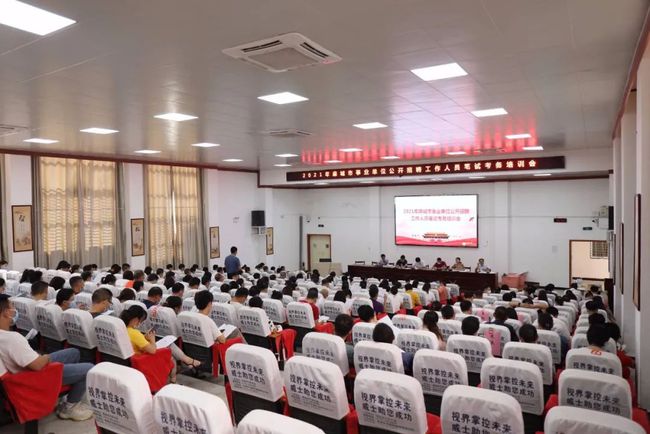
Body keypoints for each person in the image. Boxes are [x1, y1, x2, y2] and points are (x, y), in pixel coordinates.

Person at [0, 294, 94, 420]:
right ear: (6, 312)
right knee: (89, 368)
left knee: (74, 352)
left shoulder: (6, 336)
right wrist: (45, 358)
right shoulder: (12, 338)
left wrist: (41, 357)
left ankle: (67, 395)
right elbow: (37, 365)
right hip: (33, 377)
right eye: (12, 306)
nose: (14, 309)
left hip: (27, 367)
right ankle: (70, 407)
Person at [120, 305, 200, 384]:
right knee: (170, 354)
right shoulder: (135, 333)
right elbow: (152, 350)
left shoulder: (123, 328)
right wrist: (152, 339)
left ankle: (186, 363)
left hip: (133, 357)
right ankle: (180, 371)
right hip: (142, 359)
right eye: (141, 321)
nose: (140, 324)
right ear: (136, 320)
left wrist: (145, 337)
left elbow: (136, 342)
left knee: (169, 346)